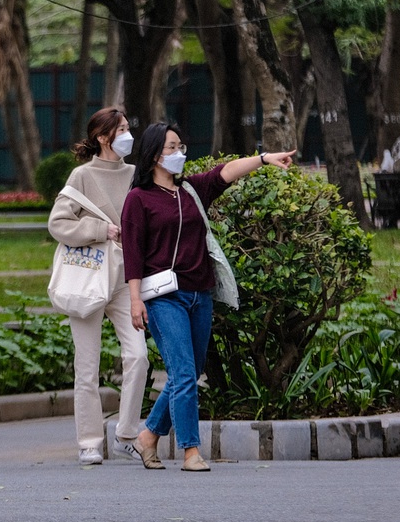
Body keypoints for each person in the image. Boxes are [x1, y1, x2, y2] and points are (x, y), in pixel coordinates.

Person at [121, 123, 294, 472]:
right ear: (155, 155)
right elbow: (133, 254)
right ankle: (190, 452)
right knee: (183, 372)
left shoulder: (190, 191)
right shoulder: (138, 199)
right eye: (172, 147)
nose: (180, 152)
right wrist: (135, 300)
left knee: (191, 371)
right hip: (163, 297)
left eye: (181, 145)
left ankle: (147, 438)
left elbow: (224, 173)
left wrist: (263, 159)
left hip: (200, 294)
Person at [47, 107, 149, 465]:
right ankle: (89, 441)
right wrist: (98, 230)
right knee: (86, 367)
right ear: (103, 138)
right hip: (88, 280)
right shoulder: (82, 176)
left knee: (138, 356)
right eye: (120, 129)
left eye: (127, 127)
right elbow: (58, 224)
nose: (127, 135)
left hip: (126, 281)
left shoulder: (138, 175)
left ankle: (126, 434)